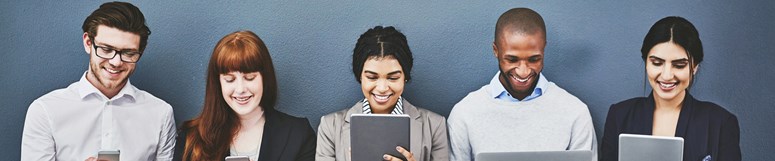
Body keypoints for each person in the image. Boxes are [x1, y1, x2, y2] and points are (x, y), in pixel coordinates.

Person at [20, 2, 176, 160]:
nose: (116, 62)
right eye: (106, 49)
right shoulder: (45, 111)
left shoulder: (161, 114)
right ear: (88, 43)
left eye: (129, 53)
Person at [447, 8, 597, 161]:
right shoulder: (465, 113)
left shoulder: (575, 112)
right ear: (495, 51)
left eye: (534, 59)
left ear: (544, 50)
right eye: (512, 60)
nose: (523, 72)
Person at [600, 16, 741, 161]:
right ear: (646, 62)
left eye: (679, 65)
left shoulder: (721, 122)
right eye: (657, 63)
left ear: (695, 67)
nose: (667, 76)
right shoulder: (620, 115)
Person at [174, 31, 316, 161]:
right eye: (230, 79)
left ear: (265, 78)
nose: (240, 89)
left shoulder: (298, 133)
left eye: (249, 78)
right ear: (218, 83)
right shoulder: (191, 138)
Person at [316, 26, 449, 161]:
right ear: (360, 76)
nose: (382, 88)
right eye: (372, 77)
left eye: (393, 78)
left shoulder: (434, 126)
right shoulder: (330, 127)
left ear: (405, 77)